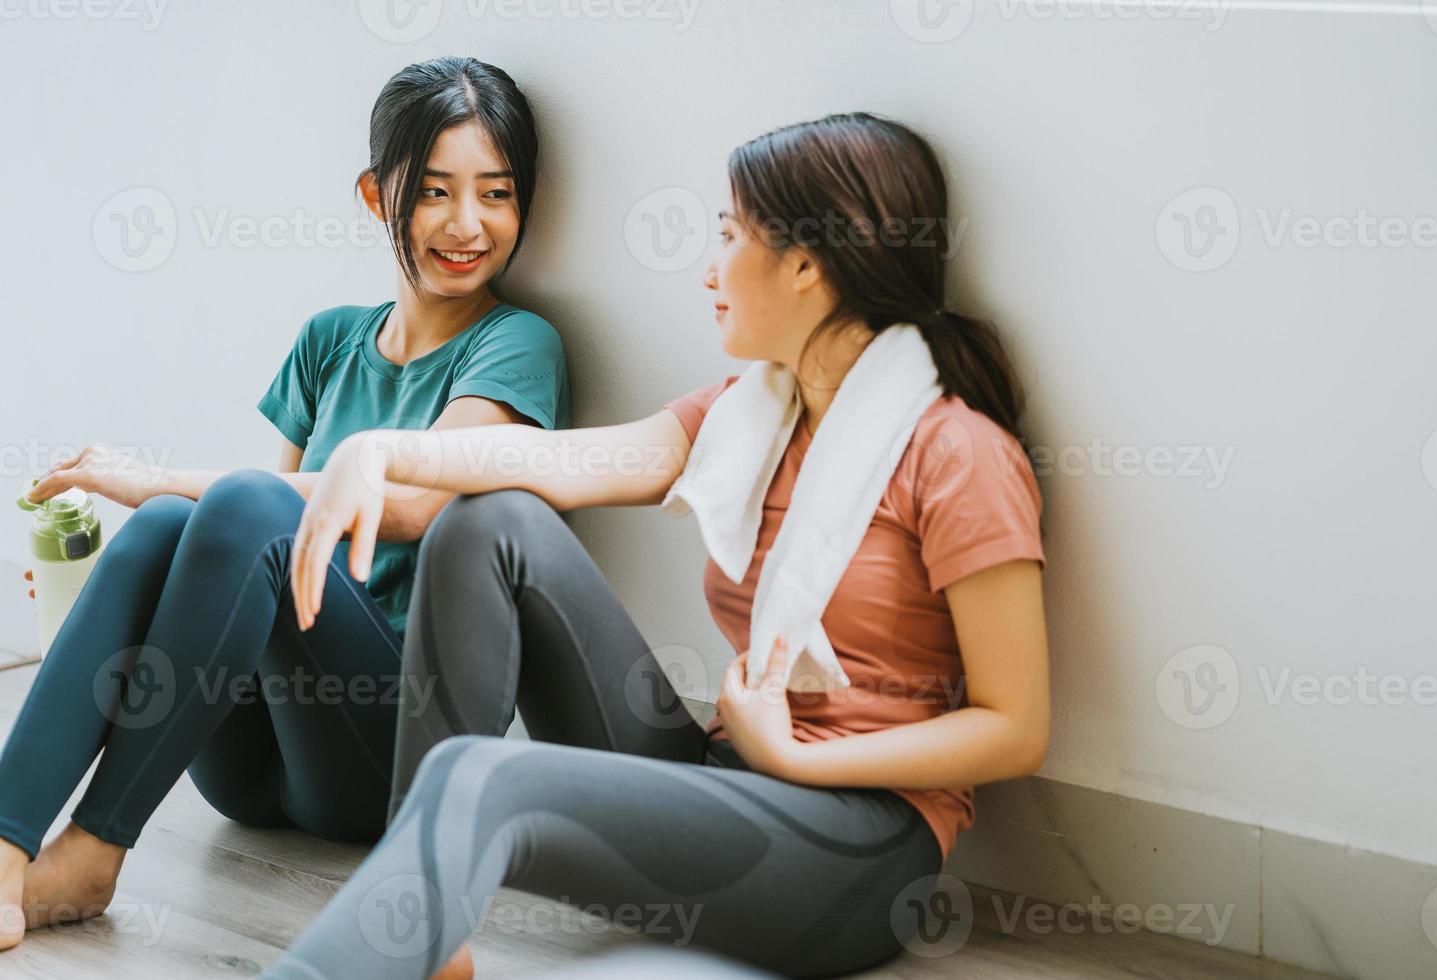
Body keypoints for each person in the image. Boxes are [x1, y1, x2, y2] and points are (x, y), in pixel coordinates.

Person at [269, 112, 1050, 980]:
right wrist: (383, 451)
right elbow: (559, 462)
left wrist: (789, 754)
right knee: (491, 519)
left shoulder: (959, 454)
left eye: (728, 237)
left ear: (805, 264)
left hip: (861, 849)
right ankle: (431, 937)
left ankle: (403, 929)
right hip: (728, 777)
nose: (710, 271)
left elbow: (1016, 729)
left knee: (483, 779)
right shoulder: (748, 414)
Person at [0, 56, 569, 953]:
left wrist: (155, 474)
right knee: (167, 529)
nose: (469, 225)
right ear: (376, 196)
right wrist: (153, 524)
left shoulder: (516, 344)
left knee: (202, 504)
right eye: (434, 192)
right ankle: (5, 845)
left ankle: (95, 848)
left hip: (385, 758)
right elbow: (257, 544)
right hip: (256, 770)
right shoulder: (329, 340)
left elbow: (414, 500)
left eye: (496, 194)